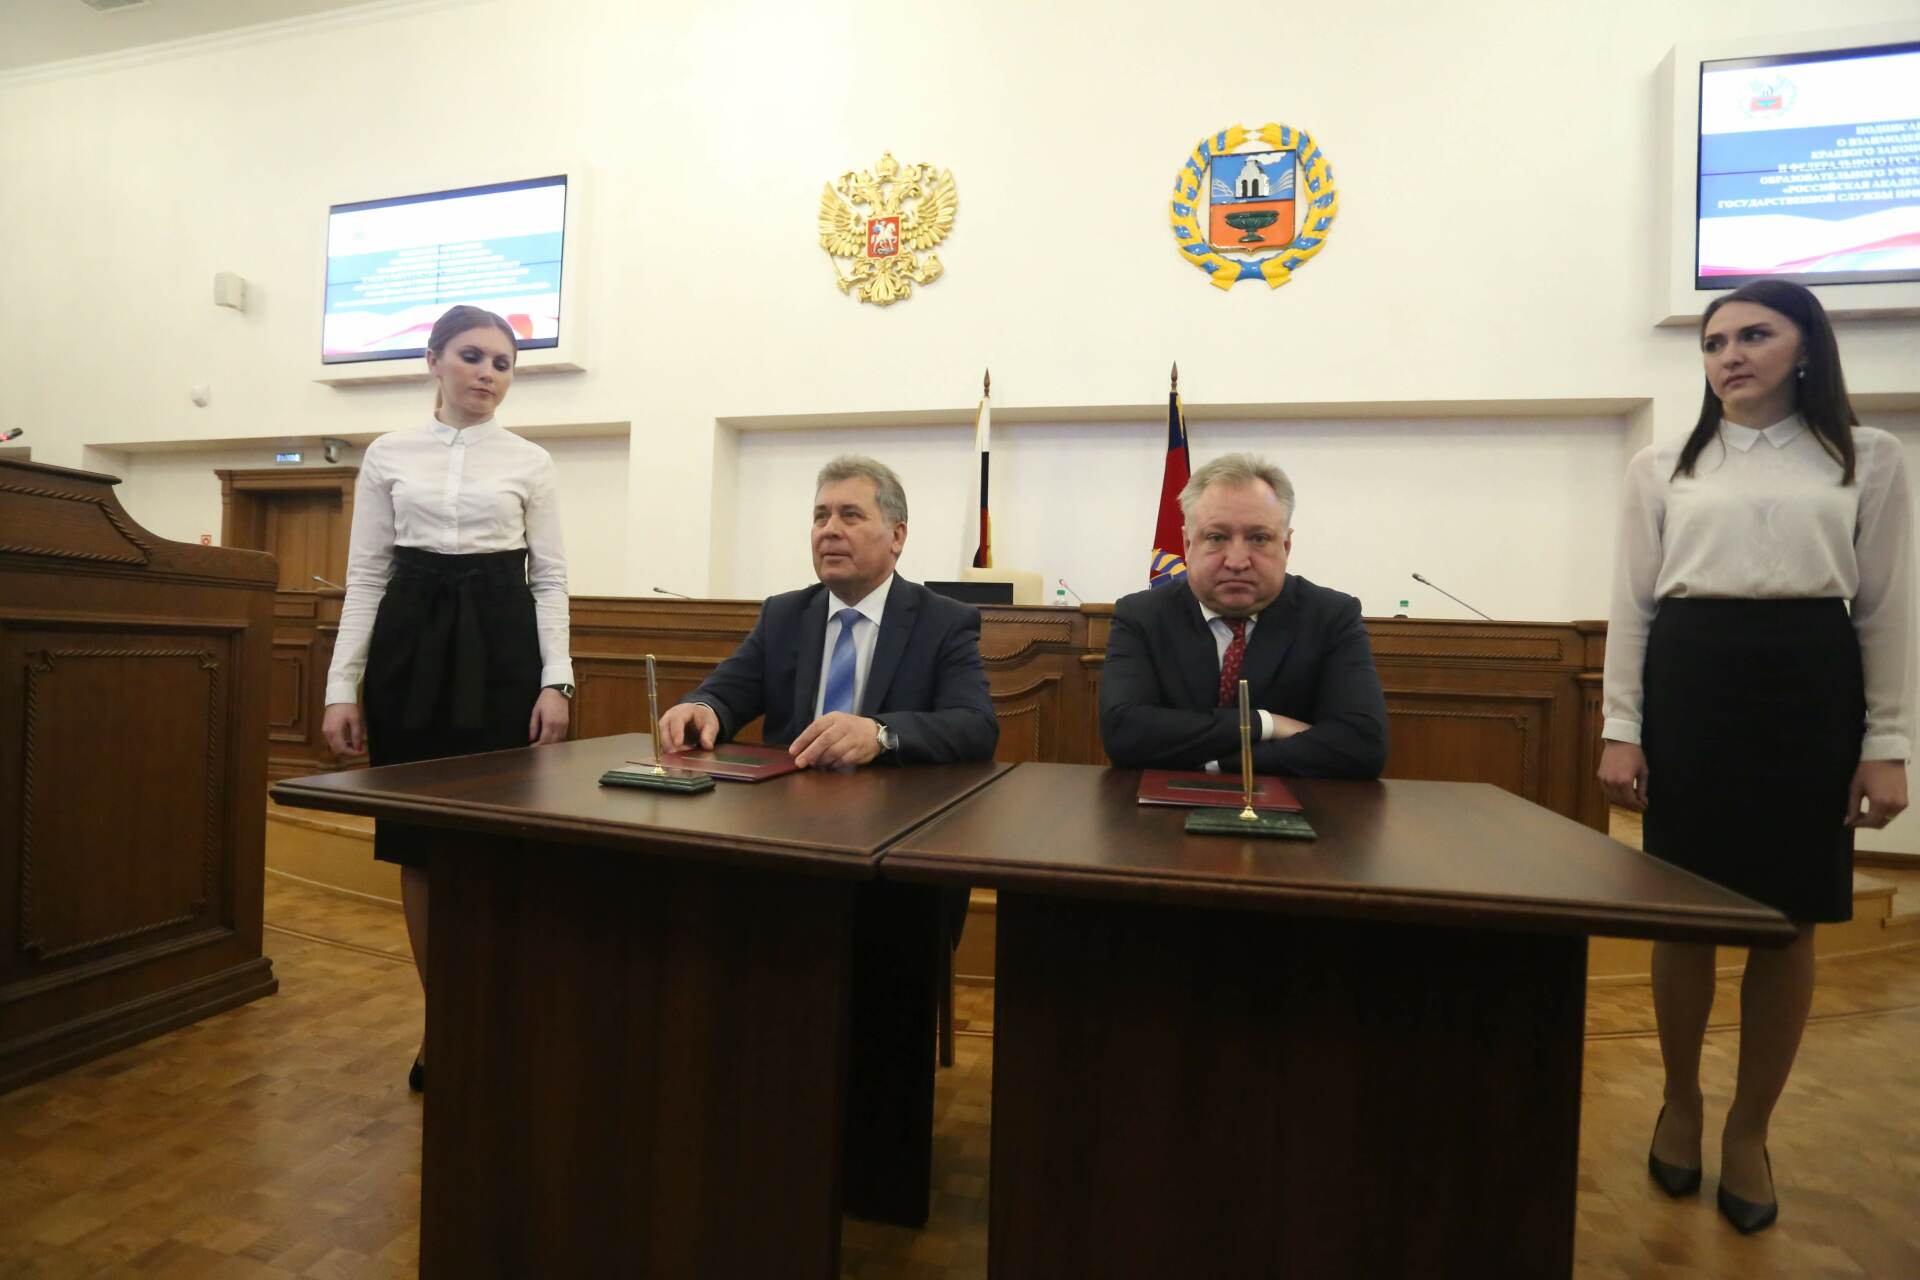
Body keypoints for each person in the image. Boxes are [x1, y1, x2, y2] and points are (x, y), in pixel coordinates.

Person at [1598, 278, 1912, 1234]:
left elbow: (1885, 609)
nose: (1729, 355)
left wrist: (1888, 743)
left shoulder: (1868, 456)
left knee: (1790, 921)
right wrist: (1620, 726)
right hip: (1693, 685)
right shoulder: (1663, 466)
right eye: (1714, 342)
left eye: (1753, 335)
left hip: (1811, 688)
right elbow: (1633, 605)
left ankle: (1750, 1129)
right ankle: (1681, 1102)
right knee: (1685, 917)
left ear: (1805, 347)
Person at [320, 304, 576, 1094]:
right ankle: (445, 1023)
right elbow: (367, 575)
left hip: (501, 647)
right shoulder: (386, 454)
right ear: (433, 360)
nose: (488, 374)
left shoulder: (532, 461)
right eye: (472, 356)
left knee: (499, 839)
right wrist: (340, 687)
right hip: (410, 648)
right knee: (418, 843)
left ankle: (499, 1012)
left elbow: (550, 579)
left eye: (503, 363)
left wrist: (556, 679)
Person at [658, 454, 997, 765]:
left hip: (893, 803)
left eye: (850, 515)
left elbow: (976, 726)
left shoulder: (942, 621)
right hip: (787, 799)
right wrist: (703, 710)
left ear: (896, 536)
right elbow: (725, 693)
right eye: (821, 517)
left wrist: (880, 735)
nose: (830, 530)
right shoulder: (784, 615)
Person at [1100, 452, 1388, 777]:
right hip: (1158, 806)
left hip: (1297, 803)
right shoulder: (1142, 615)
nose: (1237, 561)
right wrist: (1265, 724)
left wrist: (1218, 764)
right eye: (1216, 537)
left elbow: (1362, 745)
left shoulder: (1331, 617)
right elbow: (1124, 733)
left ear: (1286, 546)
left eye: (1259, 538)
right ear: (1187, 544)